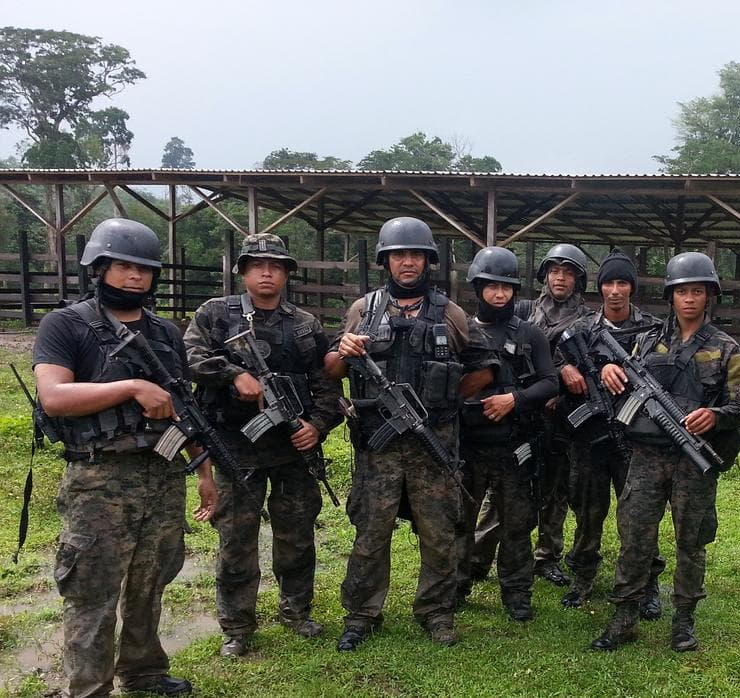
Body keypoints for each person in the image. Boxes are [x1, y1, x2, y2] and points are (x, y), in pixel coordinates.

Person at [33, 218, 215, 696]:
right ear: (99, 267)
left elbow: (183, 405)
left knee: (151, 579)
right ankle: (90, 686)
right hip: (99, 477)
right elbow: (54, 397)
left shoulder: (165, 333)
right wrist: (131, 387)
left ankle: (144, 670)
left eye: (144, 269)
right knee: (91, 589)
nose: (135, 277)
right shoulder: (66, 324)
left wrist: (204, 471)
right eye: (123, 267)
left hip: (163, 471)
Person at [326, 217, 492, 649]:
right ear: (386, 260)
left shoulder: (449, 313)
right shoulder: (364, 310)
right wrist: (343, 348)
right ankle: (362, 613)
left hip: (431, 445)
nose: (407, 262)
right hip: (378, 445)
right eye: (399, 254)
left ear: (428, 261)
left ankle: (436, 611)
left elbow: (484, 367)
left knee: (439, 533)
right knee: (371, 532)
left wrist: (447, 399)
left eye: (416, 255)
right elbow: (331, 370)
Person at [183, 233, 341, 658]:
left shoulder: (305, 325)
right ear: (243, 271)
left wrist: (318, 426)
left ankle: (296, 610)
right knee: (236, 539)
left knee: (297, 536)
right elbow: (191, 358)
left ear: (287, 272)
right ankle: (237, 625)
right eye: (257, 265)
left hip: (292, 450)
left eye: (275, 265)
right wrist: (232, 373)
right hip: (236, 449)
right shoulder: (215, 315)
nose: (266, 272)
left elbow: (326, 384)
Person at [589, 252, 740, 654]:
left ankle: (683, 621)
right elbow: (622, 380)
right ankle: (625, 616)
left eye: (697, 291)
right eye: (682, 292)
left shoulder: (726, 348)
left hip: (693, 459)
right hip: (645, 456)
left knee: (690, 541)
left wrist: (714, 416)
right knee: (634, 537)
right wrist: (610, 369)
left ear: (709, 296)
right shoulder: (646, 340)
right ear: (671, 296)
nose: (689, 299)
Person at [470, 244, 592, 587]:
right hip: (520, 413)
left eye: (568, 273)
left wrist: (565, 369)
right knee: (503, 491)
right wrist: (558, 365)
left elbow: (588, 364)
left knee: (554, 487)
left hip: (565, 413)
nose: (561, 278)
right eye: (555, 271)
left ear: (578, 280)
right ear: (544, 275)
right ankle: (478, 556)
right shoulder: (523, 308)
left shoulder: (586, 319)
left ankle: (546, 556)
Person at [559, 251, 666, 616]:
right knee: (589, 512)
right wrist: (566, 371)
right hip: (590, 439)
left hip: (634, 437)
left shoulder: (653, 329)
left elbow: (662, 372)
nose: (615, 290)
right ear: (599, 287)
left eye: (622, 283)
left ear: (632, 288)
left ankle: (648, 582)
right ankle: (584, 576)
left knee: (638, 515)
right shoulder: (584, 327)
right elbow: (551, 354)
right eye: (608, 283)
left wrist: (612, 366)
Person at [453, 246, 557, 621]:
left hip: (515, 447)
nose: (500, 295)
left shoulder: (530, 333)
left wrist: (514, 398)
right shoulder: (460, 330)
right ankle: (456, 586)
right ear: (478, 287)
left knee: (517, 523)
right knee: (459, 521)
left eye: (507, 288)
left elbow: (550, 382)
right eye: (492, 287)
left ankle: (516, 592)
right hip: (468, 447)